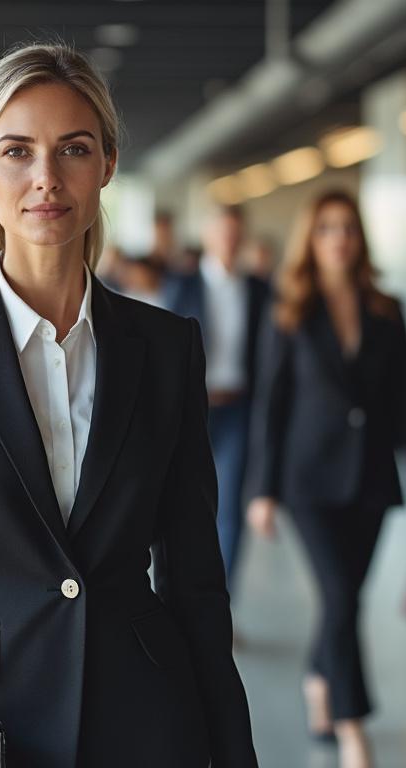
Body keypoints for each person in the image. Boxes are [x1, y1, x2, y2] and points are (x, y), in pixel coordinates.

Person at [0, 43, 257, 768]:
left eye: (72, 149)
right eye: (17, 151)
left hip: (143, 719)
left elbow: (195, 579)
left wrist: (234, 753)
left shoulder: (165, 347)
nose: (45, 179)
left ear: (108, 164)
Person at [244, 190, 406, 768]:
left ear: (360, 237)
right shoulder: (290, 309)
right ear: (312, 238)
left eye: (348, 227)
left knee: (345, 598)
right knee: (339, 593)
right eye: (326, 228)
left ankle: (318, 681)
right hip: (309, 480)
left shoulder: (388, 310)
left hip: (373, 479)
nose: (338, 238)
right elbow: (270, 406)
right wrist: (262, 488)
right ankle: (354, 728)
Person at [162, 204, 270, 586]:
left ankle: (222, 603)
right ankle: (184, 595)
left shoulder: (260, 291)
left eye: (235, 233)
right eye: (222, 232)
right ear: (208, 236)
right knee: (186, 504)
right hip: (195, 408)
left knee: (230, 509)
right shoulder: (182, 287)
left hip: (239, 408)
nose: (229, 240)